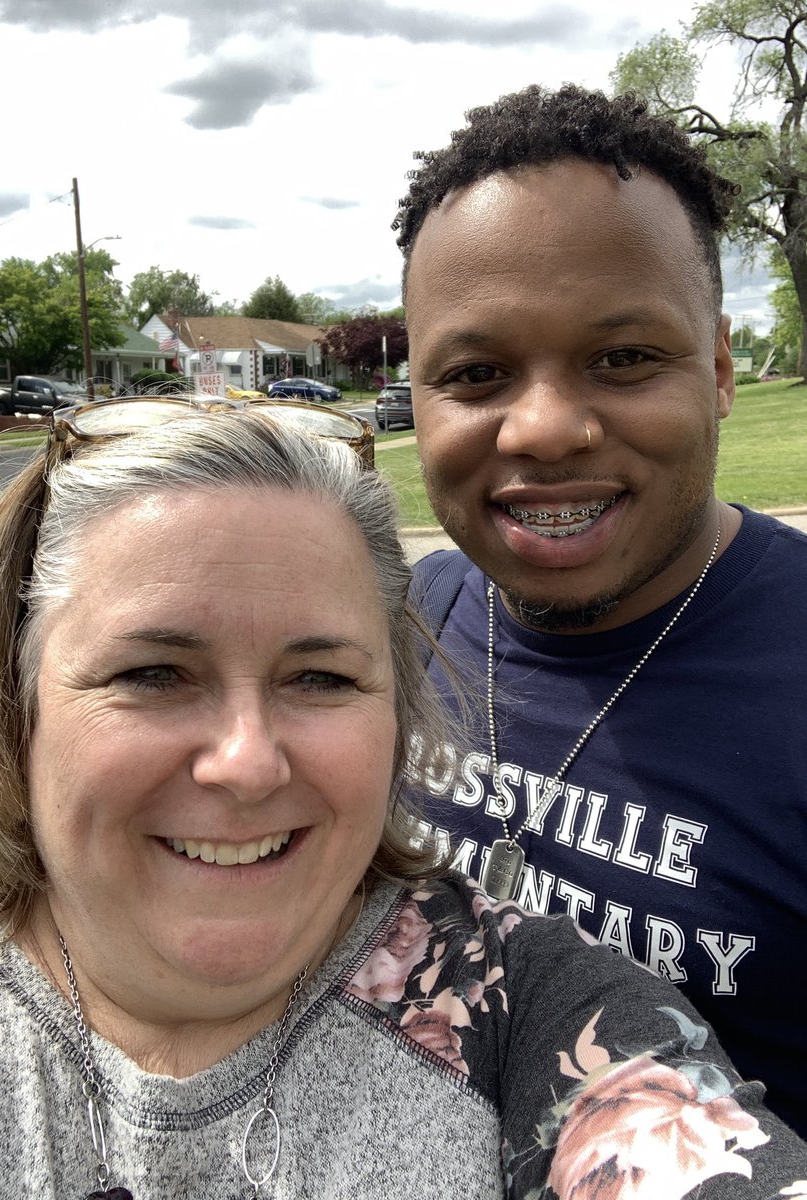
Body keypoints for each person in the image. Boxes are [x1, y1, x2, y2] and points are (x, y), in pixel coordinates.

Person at [0, 402, 804, 1195]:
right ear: (14, 700)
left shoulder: (525, 1011)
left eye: (321, 678)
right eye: (152, 673)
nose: (248, 764)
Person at [393, 83, 807, 1137]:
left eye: (622, 358)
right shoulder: (393, 631)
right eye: (478, 372)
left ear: (717, 368)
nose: (544, 429)